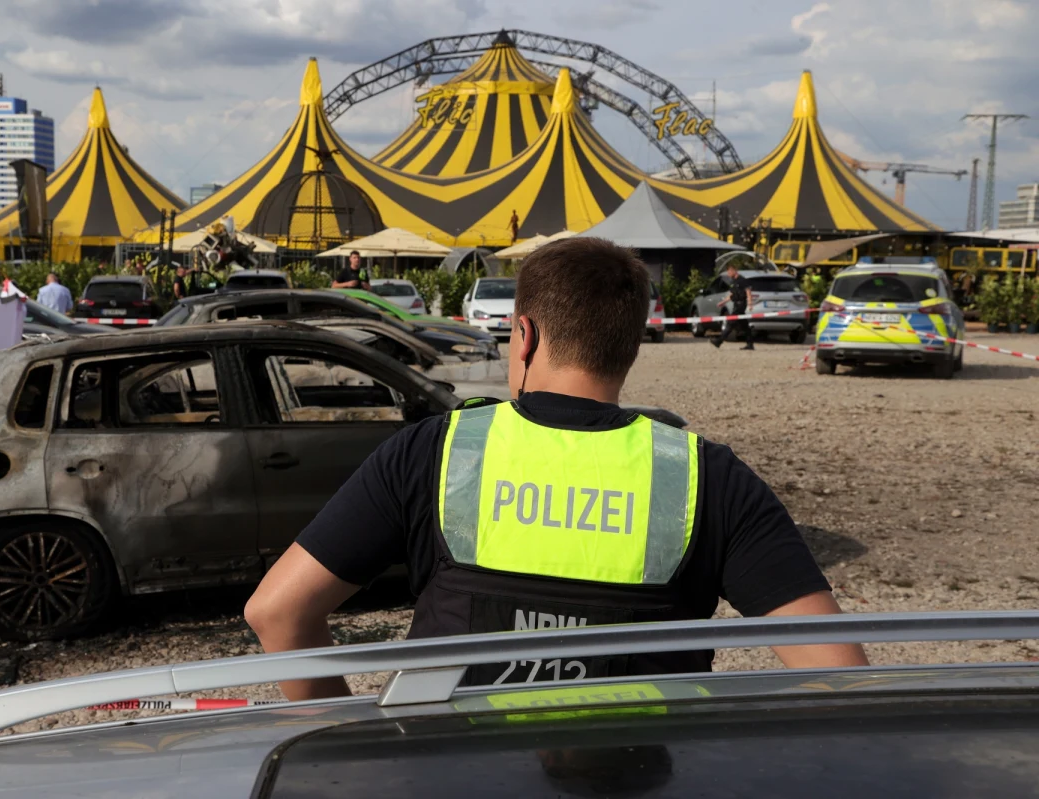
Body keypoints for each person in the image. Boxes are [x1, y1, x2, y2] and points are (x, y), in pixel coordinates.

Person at [245, 237, 867, 701]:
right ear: (633, 341)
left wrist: (339, 745)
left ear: (524, 335)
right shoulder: (708, 477)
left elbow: (277, 612)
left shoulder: (436, 452)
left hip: (445, 775)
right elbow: (841, 675)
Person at [711, 261, 755, 349]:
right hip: (736, 304)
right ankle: (750, 344)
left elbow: (748, 291)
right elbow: (731, 295)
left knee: (731, 323)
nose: (728, 274)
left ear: (734, 270)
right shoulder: (733, 281)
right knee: (745, 325)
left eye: (729, 271)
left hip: (741, 304)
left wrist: (750, 303)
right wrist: (723, 302)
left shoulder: (742, 280)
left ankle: (719, 341)